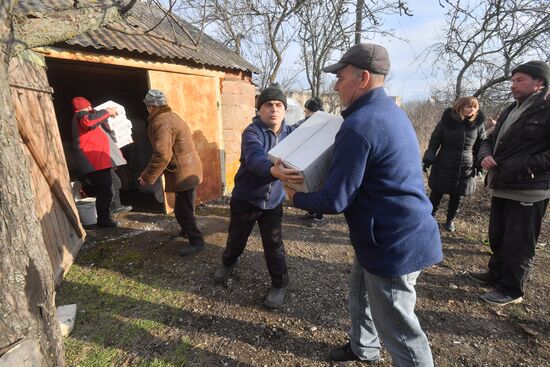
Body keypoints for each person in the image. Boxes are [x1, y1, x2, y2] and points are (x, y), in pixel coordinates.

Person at [285, 43, 442, 365]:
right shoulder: (387, 113)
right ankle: (363, 347)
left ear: (363, 78)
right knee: (360, 294)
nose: (335, 85)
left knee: (400, 330)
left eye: (340, 77)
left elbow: (335, 199)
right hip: (383, 233)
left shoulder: (360, 125)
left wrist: (295, 196)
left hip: (392, 241)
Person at [213, 85, 303, 309]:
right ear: (259, 109)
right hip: (246, 199)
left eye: (279, 105)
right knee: (236, 238)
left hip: (273, 202)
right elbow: (254, 158)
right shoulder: (252, 132)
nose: (274, 109)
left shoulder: (291, 134)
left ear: (284, 110)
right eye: (268, 105)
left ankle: (280, 284)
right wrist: (274, 171)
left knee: (274, 245)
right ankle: (228, 262)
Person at [470, 61, 550, 306]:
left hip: (529, 188)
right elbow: (488, 139)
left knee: (519, 243)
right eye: (513, 80)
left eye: (520, 80)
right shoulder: (509, 110)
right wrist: (484, 156)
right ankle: (496, 275)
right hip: (502, 184)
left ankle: (511, 289)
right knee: (498, 236)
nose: (514, 85)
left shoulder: (547, 110)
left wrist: (526, 165)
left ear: (540, 83)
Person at [138, 89, 205, 256]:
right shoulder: (172, 116)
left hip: (183, 171)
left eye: (147, 106)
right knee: (185, 205)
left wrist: (147, 176)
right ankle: (186, 231)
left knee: (183, 210)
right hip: (189, 168)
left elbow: (162, 154)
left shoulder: (160, 122)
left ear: (150, 107)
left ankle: (197, 241)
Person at [422, 96, 486, 232]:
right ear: (460, 106)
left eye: (474, 107)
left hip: (465, 164)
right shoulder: (446, 121)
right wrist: (428, 158)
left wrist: (479, 164)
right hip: (444, 161)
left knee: (458, 195)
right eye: (469, 106)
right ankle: (429, 217)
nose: (472, 109)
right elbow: (434, 141)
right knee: (436, 192)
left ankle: (450, 220)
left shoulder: (478, 125)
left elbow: (481, 145)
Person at [71, 96, 127, 228]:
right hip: (95, 162)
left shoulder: (85, 117)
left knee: (111, 187)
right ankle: (104, 220)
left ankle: (108, 215)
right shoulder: (81, 115)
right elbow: (89, 122)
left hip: (101, 161)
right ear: (87, 106)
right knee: (105, 192)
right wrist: (106, 111)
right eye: (90, 107)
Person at [294, 97, 325, 222]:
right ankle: (312, 212)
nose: (305, 113)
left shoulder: (315, 120)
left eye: (306, 111)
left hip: (314, 158)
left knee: (317, 187)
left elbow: (295, 128)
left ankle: (318, 215)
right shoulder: (326, 120)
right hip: (313, 158)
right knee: (313, 186)